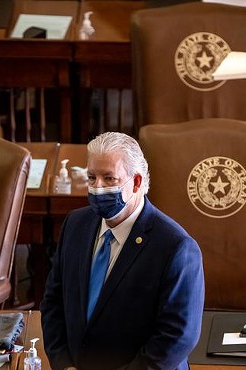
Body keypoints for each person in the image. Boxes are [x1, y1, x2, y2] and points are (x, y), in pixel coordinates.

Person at [40, 132, 205, 370]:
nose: (98, 188)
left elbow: (177, 338)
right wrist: (63, 364)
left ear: (136, 182)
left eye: (109, 179)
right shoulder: (75, 225)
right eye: (92, 177)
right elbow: (53, 302)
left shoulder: (176, 247)